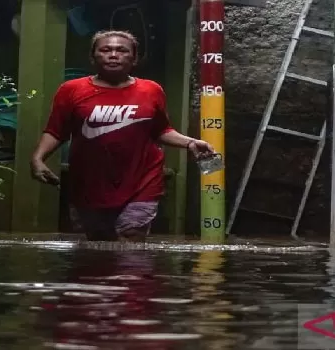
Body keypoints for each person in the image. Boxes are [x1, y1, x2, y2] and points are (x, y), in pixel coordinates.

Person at [30, 30, 214, 242]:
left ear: (134, 58)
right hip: (89, 183)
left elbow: (161, 130)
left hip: (142, 181)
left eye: (121, 50)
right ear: (93, 57)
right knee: (98, 244)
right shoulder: (71, 90)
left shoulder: (151, 90)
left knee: (130, 236)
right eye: (106, 50)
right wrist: (37, 159)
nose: (113, 55)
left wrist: (190, 142)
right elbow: (56, 130)